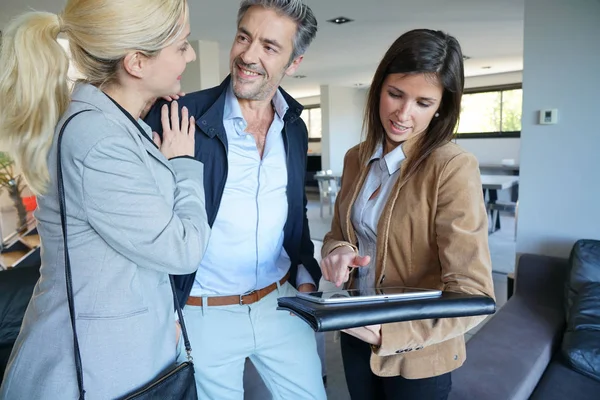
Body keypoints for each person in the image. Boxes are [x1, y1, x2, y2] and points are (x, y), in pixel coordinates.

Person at [0, 0, 210, 398]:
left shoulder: (112, 126)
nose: (192, 54)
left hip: (125, 361)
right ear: (136, 63)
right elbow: (182, 250)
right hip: (96, 376)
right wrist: (183, 165)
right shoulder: (98, 140)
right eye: (182, 46)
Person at [144, 0, 326, 398]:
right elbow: (145, 226)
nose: (248, 55)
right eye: (244, 36)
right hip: (202, 311)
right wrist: (165, 311)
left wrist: (306, 281)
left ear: (293, 63)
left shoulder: (293, 128)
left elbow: (295, 216)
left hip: (281, 304)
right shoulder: (179, 116)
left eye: (269, 47)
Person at [319, 29, 495, 400]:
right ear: (378, 88)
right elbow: (339, 232)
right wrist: (337, 251)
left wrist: (391, 334)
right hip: (356, 334)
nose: (403, 114)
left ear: (441, 108)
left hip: (419, 354)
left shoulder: (452, 167)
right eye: (395, 94)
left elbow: (474, 294)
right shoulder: (356, 157)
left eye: (423, 103)